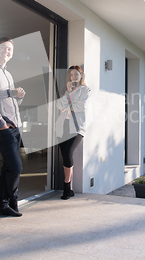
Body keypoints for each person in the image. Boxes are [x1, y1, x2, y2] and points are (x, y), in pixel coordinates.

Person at [0, 37, 26, 216]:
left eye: (10, 49)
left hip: (15, 126)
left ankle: (2, 205)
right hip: (2, 127)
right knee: (16, 167)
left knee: (8, 166)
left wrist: (18, 95)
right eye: (3, 48)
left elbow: (5, 98)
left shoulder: (8, 74)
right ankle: (12, 200)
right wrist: (1, 124)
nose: (7, 51)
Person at [56, 66, 90, 200]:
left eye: (76, 74)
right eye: (71, 75)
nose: (74, 77)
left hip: (76, 128)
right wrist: (68, 92)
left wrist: (67, 107)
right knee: (64, 155)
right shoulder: (67, 91)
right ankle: (69, 189)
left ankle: (66, 186)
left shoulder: (85, 90)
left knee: (68, 152)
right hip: (62, 127)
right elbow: (59, 106)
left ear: (81, 76)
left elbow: (82, 107)